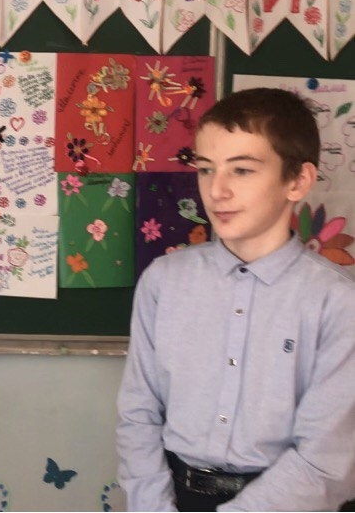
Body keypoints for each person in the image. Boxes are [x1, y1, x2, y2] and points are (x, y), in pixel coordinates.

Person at [117, 87, 355, 511]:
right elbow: (138, 415)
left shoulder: (337, 302)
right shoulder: (164, 282)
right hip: (175, 496)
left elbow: (325, 460)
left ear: (297, 181)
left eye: (242, 170)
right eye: (206, 169)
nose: (217, 190)